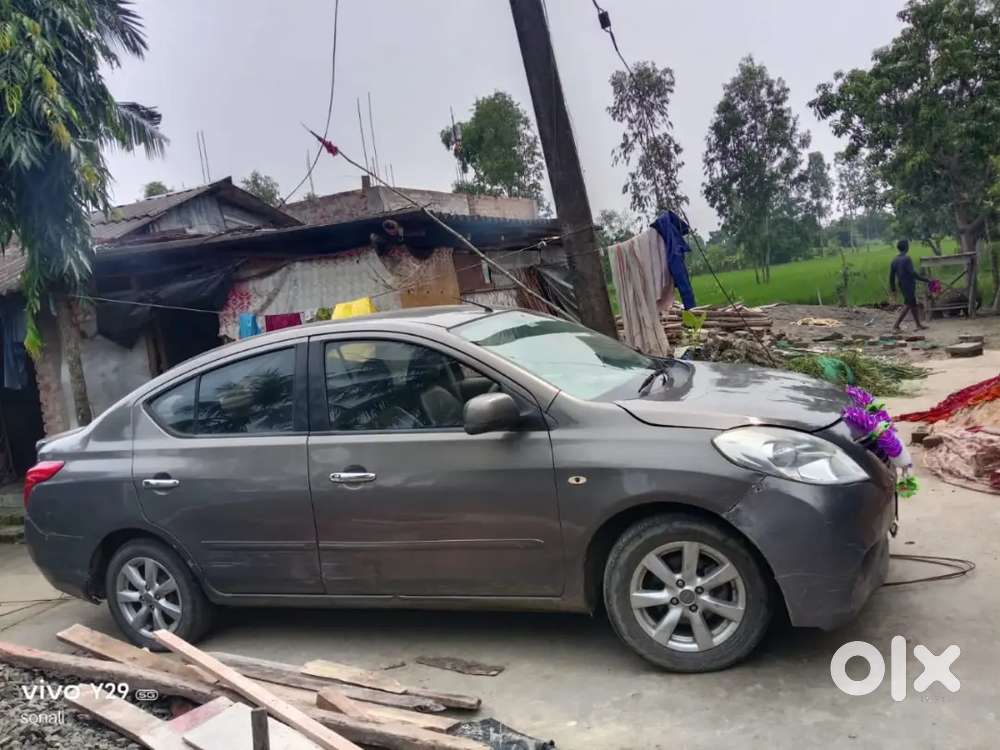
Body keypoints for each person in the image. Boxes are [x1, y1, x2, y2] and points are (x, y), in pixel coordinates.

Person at [889, 239, 930, 332]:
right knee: (908, 304)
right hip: (909, 284)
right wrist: (925, 279)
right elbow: (912, 273)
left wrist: (893, 289)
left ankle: (918, 325)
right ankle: (896, 325)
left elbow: (891, 276)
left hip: (902, 284)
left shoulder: (894, 260)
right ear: (907, 247)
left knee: (913, 304)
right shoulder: (907, 259)